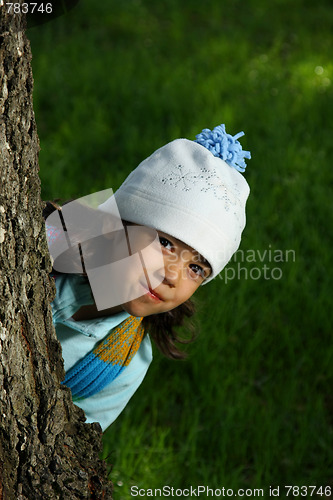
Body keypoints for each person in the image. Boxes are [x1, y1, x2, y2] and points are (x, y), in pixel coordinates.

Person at [45, 124, 251, 431]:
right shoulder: (47, 242)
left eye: (196, 268)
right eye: (165, 243)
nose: (172, 276)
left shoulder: (124, 363)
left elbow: (70, 441)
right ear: (119, 225)